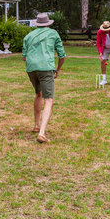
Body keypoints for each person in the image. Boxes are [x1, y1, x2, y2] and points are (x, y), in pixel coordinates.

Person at [22, 13, 66, 143]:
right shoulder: (53, 33)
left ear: (37, 24)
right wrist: (57, 69)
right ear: (48, 23)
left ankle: (36, 125)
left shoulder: (28, 36)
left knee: (38, 94)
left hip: (31, 68)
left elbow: (24, 57)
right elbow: (62, 55)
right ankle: (41, 133)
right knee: (49, 99)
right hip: (46, 67)